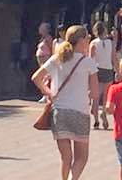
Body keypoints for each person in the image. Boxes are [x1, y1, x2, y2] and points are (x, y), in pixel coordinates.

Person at [32, 25, 100, 180]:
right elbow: (95, 93)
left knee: (66, 158)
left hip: (60, 112)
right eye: (87, 38)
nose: (89, 40)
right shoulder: (88, 62)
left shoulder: (57, 58)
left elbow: (36, 77)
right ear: (82, 40)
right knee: (82, 157)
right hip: (80, 112)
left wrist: (49, 92)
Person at [90, 21, 116, 129]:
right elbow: (113, 57)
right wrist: (118, 70)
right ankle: (104, 113)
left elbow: (90, 59)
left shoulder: (93, 43)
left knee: (96, 96)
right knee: (106, 96)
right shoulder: (110, 43)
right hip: (108, 69)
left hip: (96, 69)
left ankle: (95, 120)